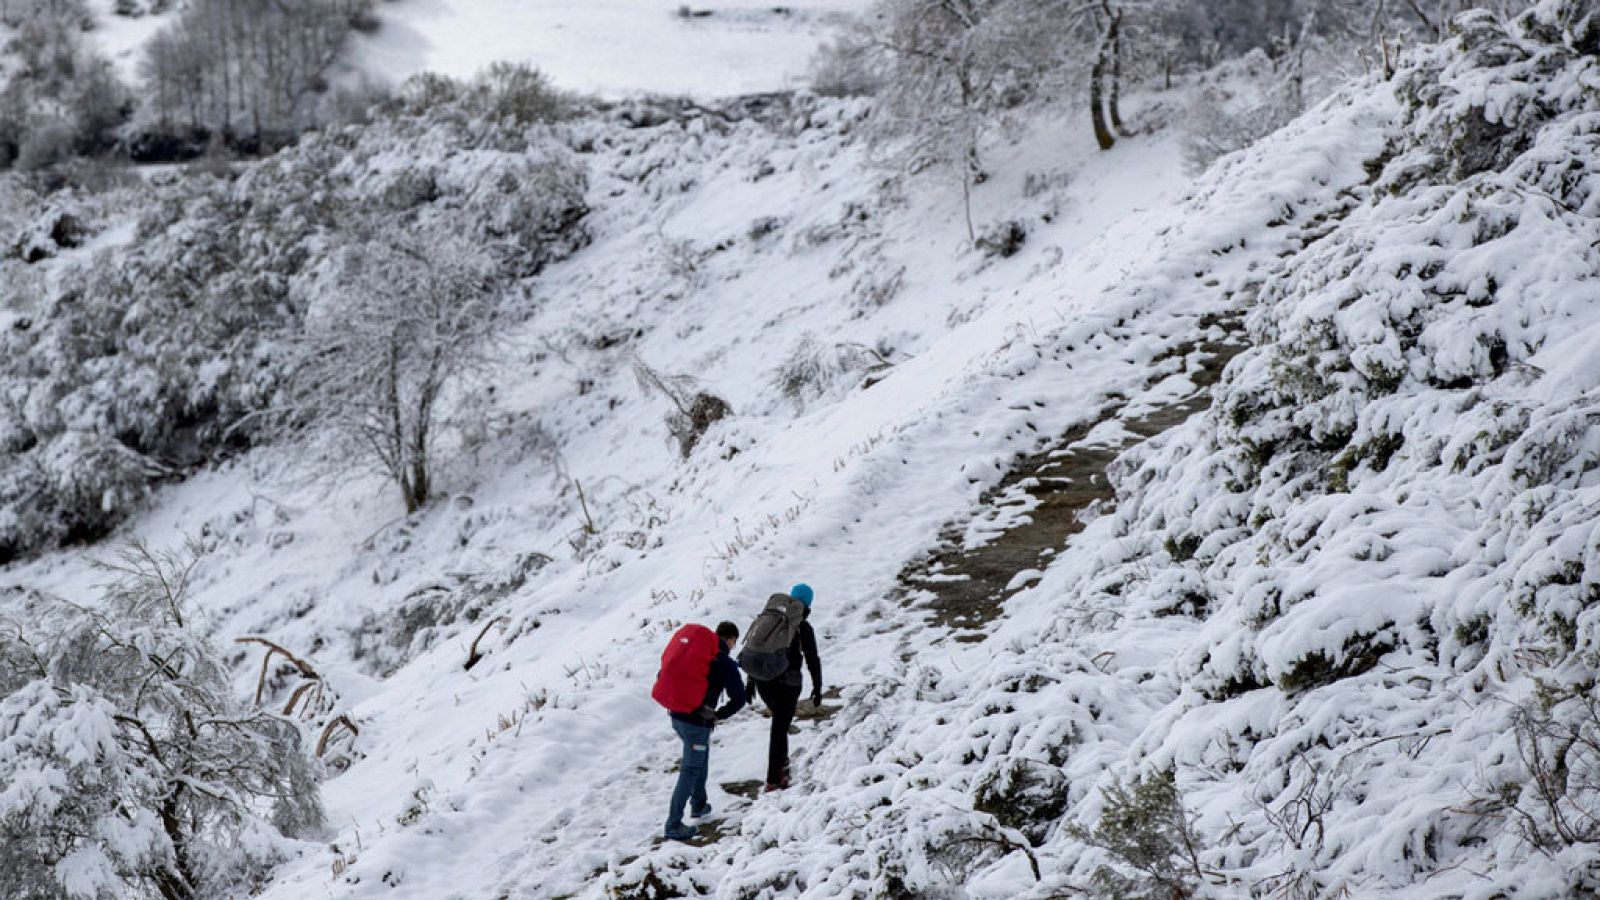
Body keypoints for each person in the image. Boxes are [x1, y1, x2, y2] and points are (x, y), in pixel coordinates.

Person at [664, 620, 747, 841]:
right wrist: (719, 715)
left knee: (700, 757)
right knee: (690, 769)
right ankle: (673, 825)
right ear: (730, 640)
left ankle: (699, 804)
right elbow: (740, 699)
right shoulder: (723, 662)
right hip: (696, 723)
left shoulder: (696, 653)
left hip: (677, 715)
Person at [747, 583, 823, 791]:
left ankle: (782, 766)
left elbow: (757, 648)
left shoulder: (770, 620)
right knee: (779, 728)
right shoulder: (802, 627)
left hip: (763, 682)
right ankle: (774, 779)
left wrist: (751, 681)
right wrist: (817, 687)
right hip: (788, 685)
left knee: (780, 725)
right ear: (808, 605)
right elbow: (812, 659)